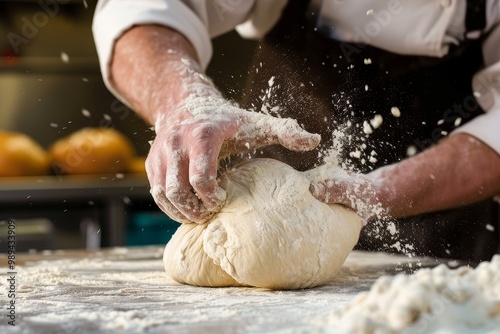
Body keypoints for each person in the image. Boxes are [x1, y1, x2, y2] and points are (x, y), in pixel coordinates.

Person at [93, 0, 500, 263]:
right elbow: (144, 9)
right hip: (262, 217)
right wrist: (184, 103)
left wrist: (379, 192)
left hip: (443, 250)